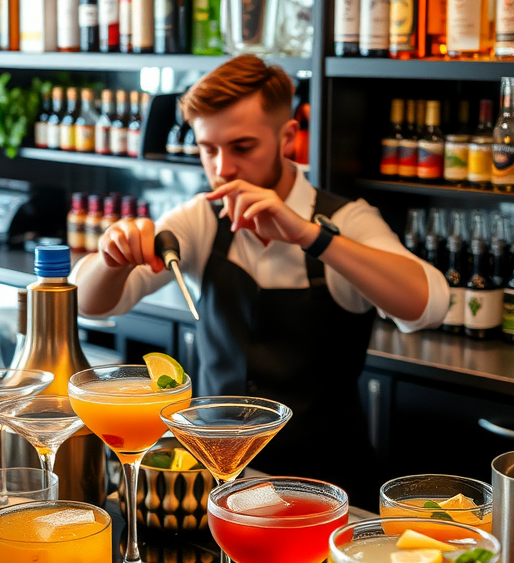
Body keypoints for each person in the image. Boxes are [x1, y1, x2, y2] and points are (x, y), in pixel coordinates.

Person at [72, 56, 448, 506]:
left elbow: (428, 305)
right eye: (208, 149)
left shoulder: (347, 219)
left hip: (327, 488)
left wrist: (308, 234)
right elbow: (90, 303)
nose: (223, 168)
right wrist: (113, 257)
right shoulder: (200, 219)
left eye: (242, 147)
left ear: (287, 137)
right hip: (221, 481)